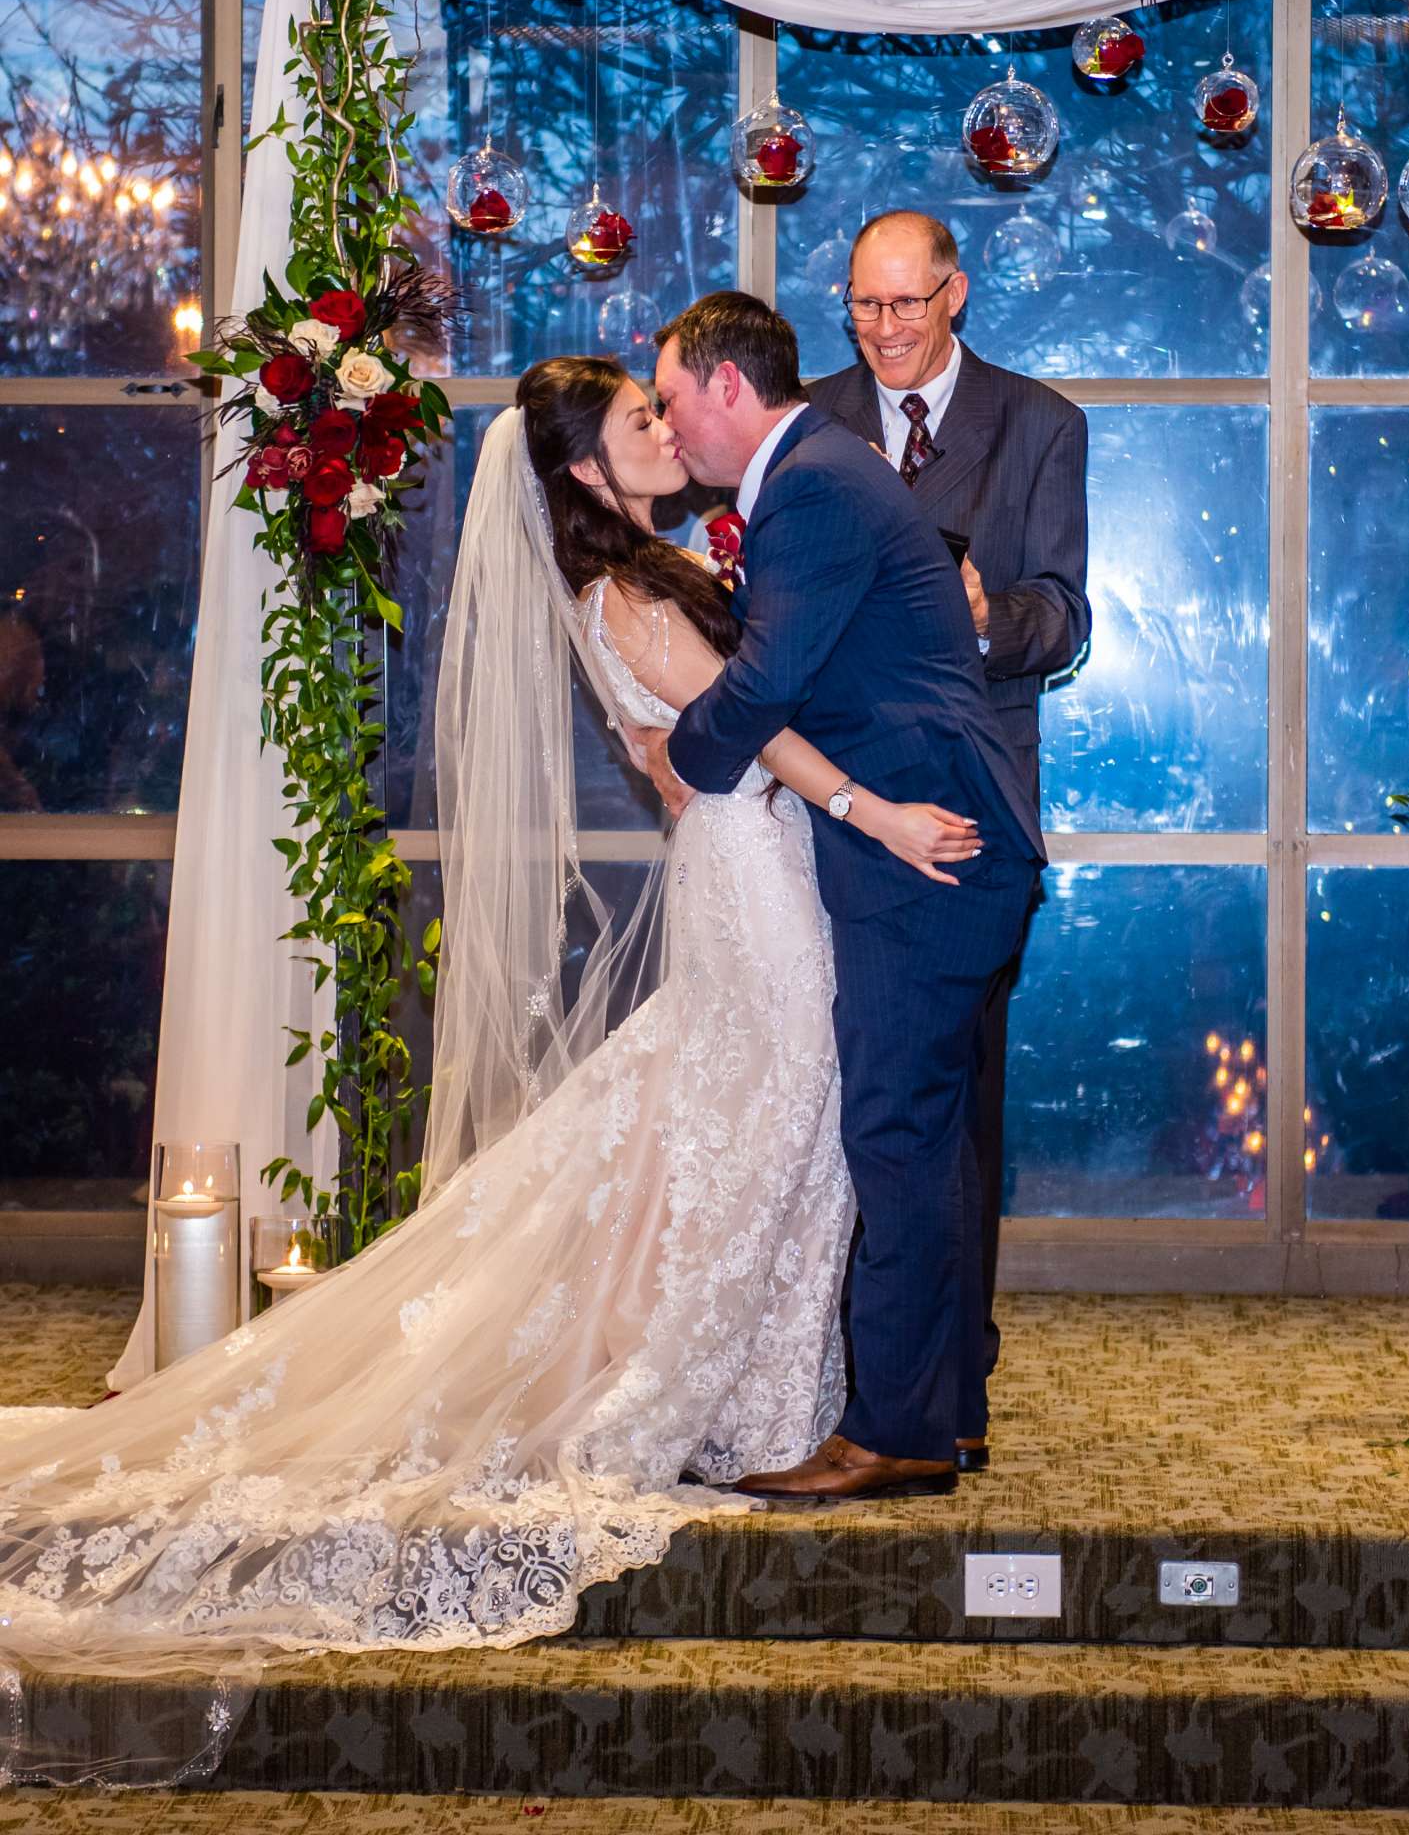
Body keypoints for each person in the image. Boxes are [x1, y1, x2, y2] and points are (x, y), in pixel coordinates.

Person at [0, 355, 976, 1787]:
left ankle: (739, 1389)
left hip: (749, 862)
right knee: (757, 1112)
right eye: (639, 423)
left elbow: (691, 743)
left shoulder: (641, 570)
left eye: (663, 410)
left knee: (736, 1116)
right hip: (764, 869)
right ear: (584, 472)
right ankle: (694, 1390)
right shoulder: (630, 590)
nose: (663, 429)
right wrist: (881, 811)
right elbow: (748, 732)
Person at [653, 291, 1046, 1502]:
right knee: (918, 1135)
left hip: (923, 850)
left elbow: (768, 676)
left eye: (670, 403)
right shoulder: (829, 465)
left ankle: (901, 1432)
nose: (667, 433)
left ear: (728, 388)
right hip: (932, 838)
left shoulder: (812, 485)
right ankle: (937, 1415)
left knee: (896, 1136)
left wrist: (685, 755)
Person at [808, 210, 1089, 1445]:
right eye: (865, 308)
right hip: (829, 798)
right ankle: (842, 1374)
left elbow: (1067, 617)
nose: (886, 333)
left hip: (969, 809)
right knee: (838, 1099)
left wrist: (984, 617)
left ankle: (949, 1387)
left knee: (950, 1104)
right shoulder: (807, 416)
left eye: (907, 306)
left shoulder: (1039, 425)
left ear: (955, 294)